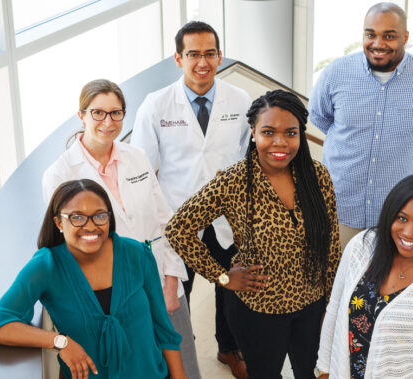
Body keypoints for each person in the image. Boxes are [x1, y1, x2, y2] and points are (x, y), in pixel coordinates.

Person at [165, 89, 340, 378]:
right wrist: (222, 277)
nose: (280, 143)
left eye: (291, 133)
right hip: (259, 310)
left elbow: (331, 247)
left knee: (311, 373)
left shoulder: (318, 176)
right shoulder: (233, 182)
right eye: (269, 132)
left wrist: (330, 305)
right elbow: (178, 228)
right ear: (253, 132)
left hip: (311, 305)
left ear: (301, 135)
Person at [41, 79, 200, 378]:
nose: (108, 122)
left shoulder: (136, 157)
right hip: (114, 295)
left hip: (163, 282)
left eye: (116, 113)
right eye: (98, 113)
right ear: (82, 115)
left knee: (183, 366)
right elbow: (67, 248)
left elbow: (167, 223)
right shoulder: (60, 174)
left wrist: (169, 283)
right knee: (133, 366)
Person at [130, 21, 252, 378]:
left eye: (210, 53)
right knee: (175, 297)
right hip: (178, 219)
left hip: (227, 218)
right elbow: (140, 170)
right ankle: (177, 358)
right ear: (178, 58)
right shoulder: (156, 106)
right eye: (193, 54)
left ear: (219, 55)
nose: (203, 62)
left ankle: (229, 348)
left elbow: (248, 159)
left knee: (232, 285)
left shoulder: (239, 100)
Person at [0, 179, 185, 379]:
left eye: (99, 216)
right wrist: (60, 342)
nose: (90, 226)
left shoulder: (137, 254)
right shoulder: (46, 266)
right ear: (58, 222)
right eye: (77, 217)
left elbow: (164, 331)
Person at [309, 2, 413, 247]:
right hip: (339, 211)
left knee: (388, 285)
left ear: (406, 37)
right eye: (371, 34)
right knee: (335, 284)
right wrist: (354, 139)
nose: (378, 43)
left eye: (389, 36)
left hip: (398, 218)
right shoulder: (336, 72)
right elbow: (319, 117)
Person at [316, 174, 413, 379]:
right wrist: (324, 369)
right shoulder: (362, 246)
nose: (409, 233)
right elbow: (334, 308)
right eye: (402, 218)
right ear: (390, 214)